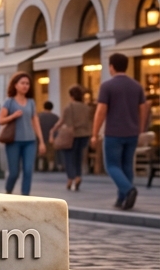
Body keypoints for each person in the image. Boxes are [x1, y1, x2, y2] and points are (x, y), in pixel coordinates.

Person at [93, 53, 151, 210]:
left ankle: (128, 190)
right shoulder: (136, 85)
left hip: (114, 132)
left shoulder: (107, 86)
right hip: (132, 132)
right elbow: (143, 109)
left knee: (111, 165)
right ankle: (121, 199)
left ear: (111, 66)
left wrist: (94, 133)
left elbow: (101, 111)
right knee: (126, 165)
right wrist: (140, 128)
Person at [0, 71, 43, 196]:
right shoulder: (9, 102)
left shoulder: (31, 102)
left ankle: (25, 195)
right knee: (14, 172)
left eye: (27, 83)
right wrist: (13, 116)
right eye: (22, 83)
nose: (25, 86)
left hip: (30, 141)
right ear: (15, 85)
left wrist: (41, 141)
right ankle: (8, 191)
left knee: (28, 170)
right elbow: (1, 120)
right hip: (14, 141)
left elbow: (35, 121)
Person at [53, 85, 92, 192]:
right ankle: (78, 176)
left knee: (69, 157)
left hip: (72, 135)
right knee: (79, 157)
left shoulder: (69, 107)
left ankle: (70, 178)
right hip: (84, 135)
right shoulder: (87, 108)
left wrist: (53, 130)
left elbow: (63, 121)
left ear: (71, 96)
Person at [37, 100, 60, 172]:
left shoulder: (39, 116)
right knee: (51, 154)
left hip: (41, 137)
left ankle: (40, 167)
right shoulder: (55, 117)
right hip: (51, 138)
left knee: (41, 153)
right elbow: (58, 128)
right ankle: (51, 167)